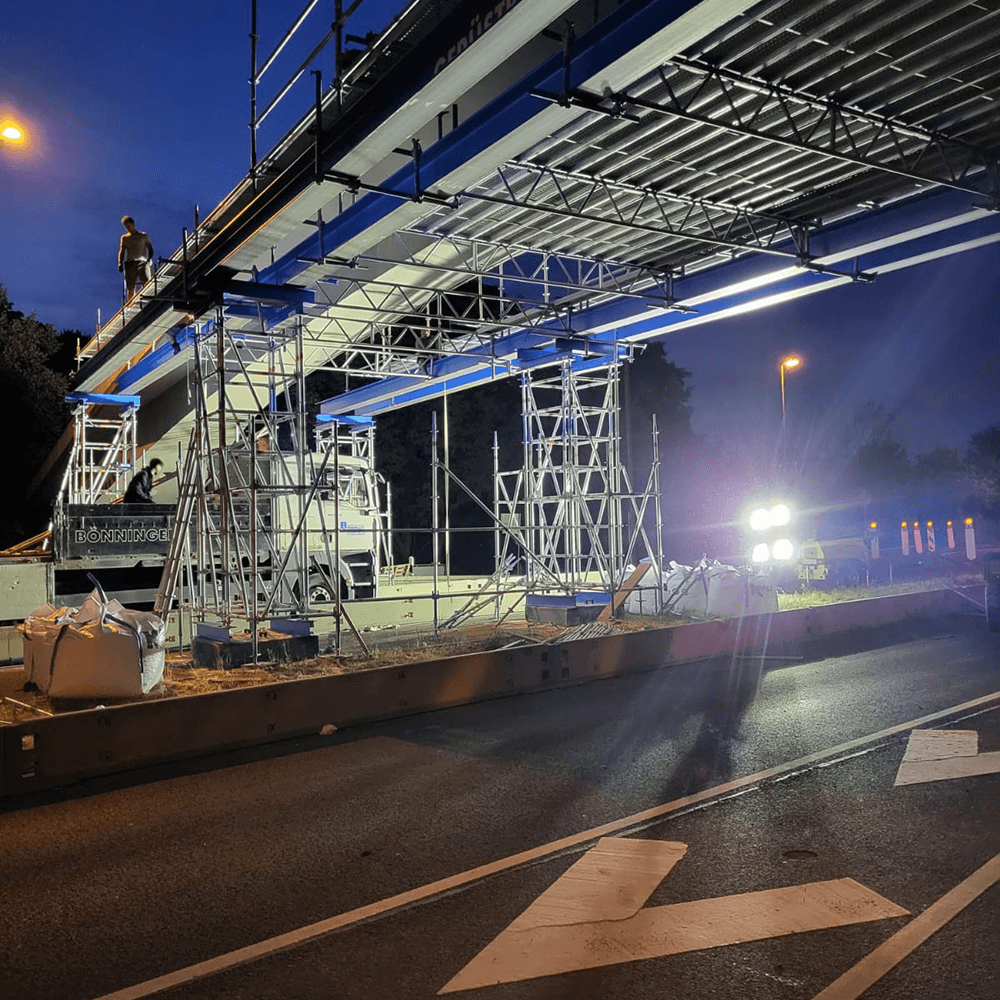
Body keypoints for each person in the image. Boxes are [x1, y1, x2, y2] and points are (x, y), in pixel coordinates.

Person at [118, 216, 155, 301]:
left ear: (133, 224)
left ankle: (148, 301)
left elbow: (150, 248)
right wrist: (120, 262)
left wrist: (149, 259)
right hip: (131, 263)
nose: (128, 229)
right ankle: (131, 303)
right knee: (130, 287)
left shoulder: (143, 236)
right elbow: (122, 251)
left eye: (129, 226)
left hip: (142, 262)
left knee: (146, 283)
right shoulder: (125, 238)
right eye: (126, 227)